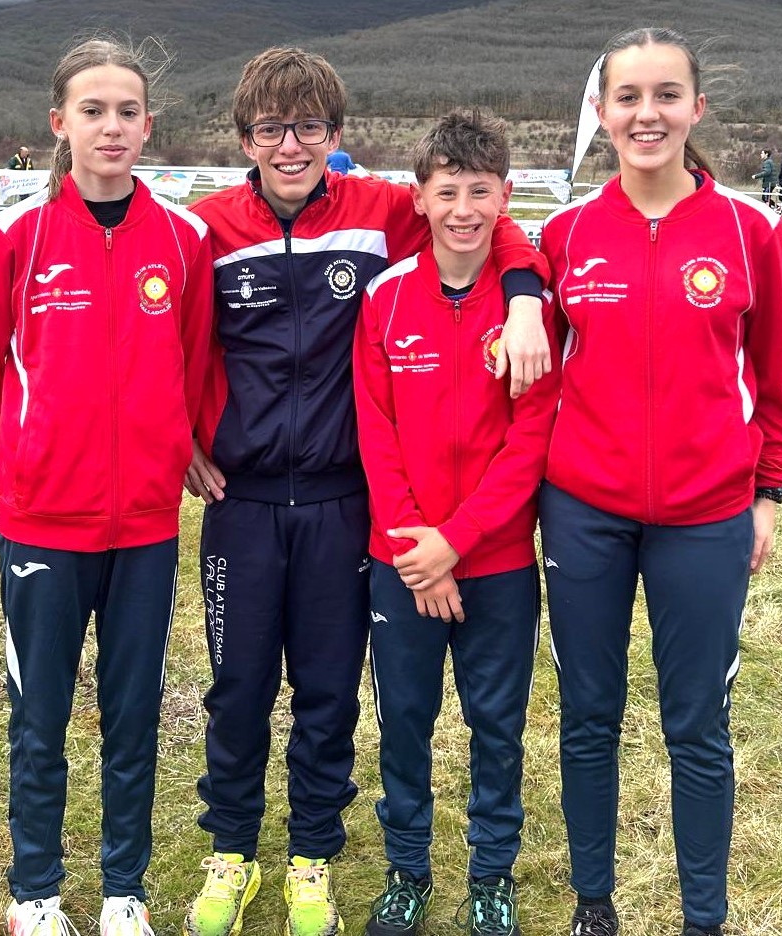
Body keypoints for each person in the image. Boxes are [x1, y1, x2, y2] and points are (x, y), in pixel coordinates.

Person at [183, 46, 552, 936]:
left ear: (335, 134)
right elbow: (161, 333)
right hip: (243, 503)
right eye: (272, 128)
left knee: (328, 692)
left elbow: (482, 215)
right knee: (236, 689)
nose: (291, 144)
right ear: (245, 139)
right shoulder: (206, 227)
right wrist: (179, 438)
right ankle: (231, 852)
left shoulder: (382, 210)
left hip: (345, 505)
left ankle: (312, 857)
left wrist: (525, 296)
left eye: (309, 126)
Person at [537, 27, 782, 936]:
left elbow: (774, 380)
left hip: (706, 517)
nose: (645, 114)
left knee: (696, 725)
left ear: (696, 107)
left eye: (665, 95)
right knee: (589, 715)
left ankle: (704, 919)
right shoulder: (566, 235)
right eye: (628, 97)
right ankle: (594, 903)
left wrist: (767, 495)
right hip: (584, 512)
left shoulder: (750, 231)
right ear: (602, 111)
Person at [0, 35, 213, 936]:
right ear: (59, 123)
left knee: (133, 717)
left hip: (143, 529)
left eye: (128, 112)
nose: (112, 127)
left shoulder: (182, 239)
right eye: (93, 111)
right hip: (42, 528)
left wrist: (170, 454)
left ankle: (122, 893)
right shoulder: (15, 235)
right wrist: (18, 481)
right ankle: (34, 895)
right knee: (41, 719)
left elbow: (191, 369)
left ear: (149, 126)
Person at [353, 108, 560, 936]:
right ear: (420, 197)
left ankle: (491, 874)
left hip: (496, 564)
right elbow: (376, 434)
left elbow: (529, 444)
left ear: (505, 195)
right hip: (401, 563)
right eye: (447, 192)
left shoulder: (530, 313)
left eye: (480, 191)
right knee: (403, 723)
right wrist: (420, 549)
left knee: (496, 728)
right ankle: (407, 869)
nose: (464, 210)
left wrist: (457, 543)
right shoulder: (385, 299)